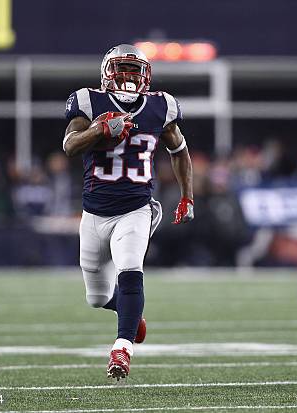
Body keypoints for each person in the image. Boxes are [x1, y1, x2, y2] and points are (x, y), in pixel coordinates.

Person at [62, 44, 194, 380]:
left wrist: (187, 196)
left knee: (130, 267)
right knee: (97, 297)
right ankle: (130, 315)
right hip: (93, 213)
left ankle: (122, 348)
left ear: (146, 76)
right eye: (122, 69)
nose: (129, 77)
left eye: (135, 70)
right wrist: (98, 130)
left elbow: (179, 150)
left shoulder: (160, 107)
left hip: (136, 207)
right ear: (106, 72)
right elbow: (69, 146)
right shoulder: (89, 102)